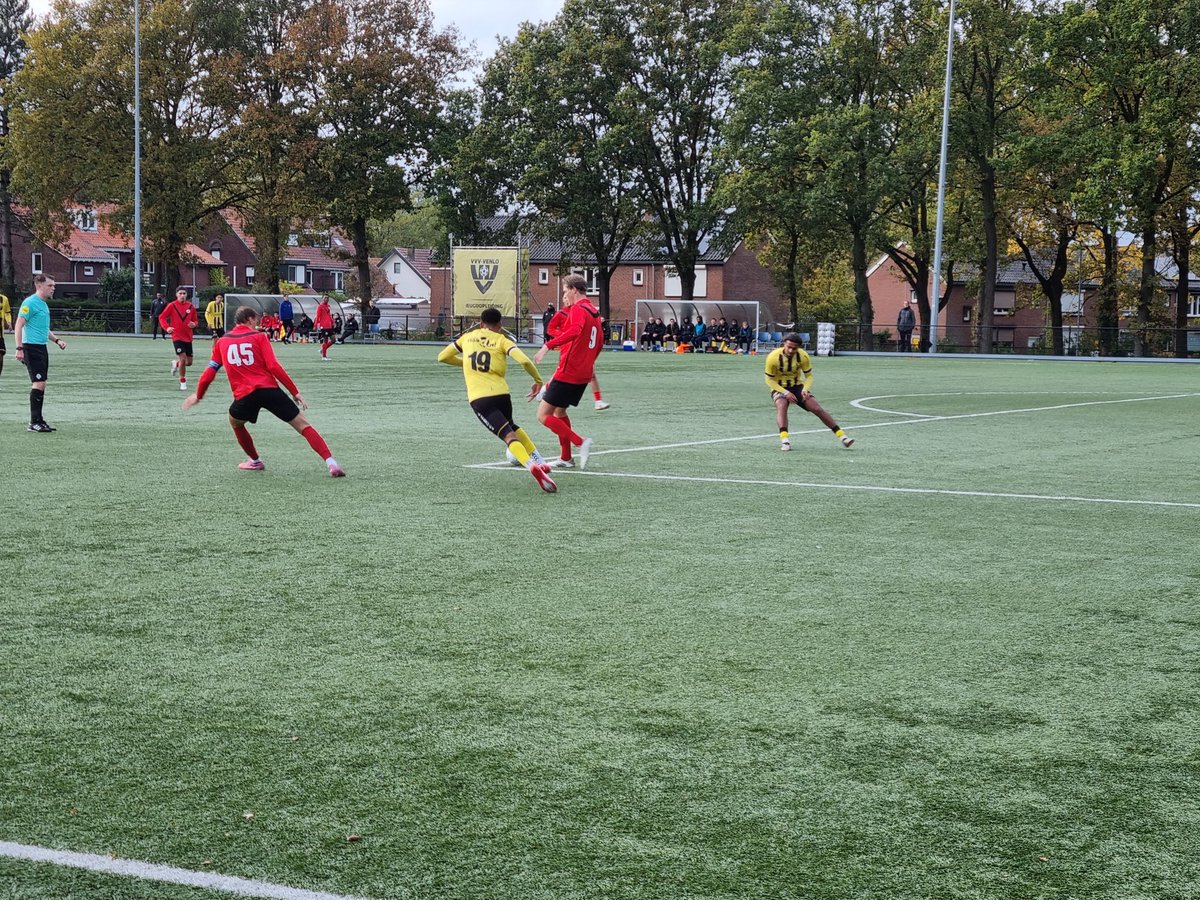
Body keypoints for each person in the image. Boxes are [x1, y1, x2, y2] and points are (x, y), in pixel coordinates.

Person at [183, 306, 345, 477]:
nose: (257, 323)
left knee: (235, 422)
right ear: (250, 319)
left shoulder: (222, 342)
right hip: (269, 390)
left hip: (245, 395)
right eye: (256, 320)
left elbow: (209, 373)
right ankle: (331, 463)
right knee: (303, 425)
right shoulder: (259, 337)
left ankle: (255, 461)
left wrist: (198, 395)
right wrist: (294, 391)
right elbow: (273, 366)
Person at [438, 306, 557, 493]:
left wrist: (466, 363)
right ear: (500, 325)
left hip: (480, 399)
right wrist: (538, 381)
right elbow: (525, 361)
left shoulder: (467, 338)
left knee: (509, 436)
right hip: (502, 395)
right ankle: (540, 461)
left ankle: (531, 467)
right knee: (512, 425)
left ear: (480, 323)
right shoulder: (502, 339)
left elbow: (442, 357)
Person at [532, 273, 603, 468]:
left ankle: (581, 442)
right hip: (582, 374)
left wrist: (548, 346)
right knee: (560, 412)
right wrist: (588, 363)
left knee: (543, 415)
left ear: (573, 289)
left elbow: (574, 331)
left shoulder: (578, 309)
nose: (565, 295)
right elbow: (599, 342)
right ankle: (566, 458)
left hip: (569, 372)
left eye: (565, 291)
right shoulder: (594, 312)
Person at [765, 332, 853, 451]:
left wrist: (805, 389)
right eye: (789, 347)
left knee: (816, 408)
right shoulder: (773, 357)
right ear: (784, 344)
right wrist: (785, 393)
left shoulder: (803, 356)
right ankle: (785, 441)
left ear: (799, 348)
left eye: (794, 348)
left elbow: (809, 376)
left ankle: (843, 437)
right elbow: (769, 379)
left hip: (797, 386)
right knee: (782, 405)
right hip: (779, 386)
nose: (791, 350)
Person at [13, 274, 67, 432]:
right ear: (39, 286)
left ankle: (39, 420)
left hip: (41, 347)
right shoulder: (29, 303)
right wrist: (19, 348)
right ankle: (33, 423)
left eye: (53, 285)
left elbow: (44, 329)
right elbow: (18, 325)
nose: (53, 288)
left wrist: (57, 340)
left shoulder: (43, 305)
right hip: (31, 347)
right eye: (50, 286)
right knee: (38, 383)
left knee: (42, 383)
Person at [544, 291, 609, 417]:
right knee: (562, 372)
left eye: (566, 296)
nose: (566, 299)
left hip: (580, 348)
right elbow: (550, 329)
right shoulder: (561, 313)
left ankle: (598, 401)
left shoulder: (580, 310)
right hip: (567, 347)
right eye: (564, 297)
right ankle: (546, 389)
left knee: (590, 373)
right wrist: (563, 336)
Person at [159, 287, 198, 390]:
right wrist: (167, 328)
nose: (182, 295)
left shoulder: (191, 306)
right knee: (183, 358)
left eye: (184, 293)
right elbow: (162, 317)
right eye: (180, 293)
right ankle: (182, 381)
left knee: (189, 362)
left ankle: (176, 364)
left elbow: (195, 320)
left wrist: (194, 324)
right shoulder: (171, 305)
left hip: (188, 337)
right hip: (177, 336)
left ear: (186, 295)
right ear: (176, 295)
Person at [313, 295, 336, 359]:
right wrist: (315, 325)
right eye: (325, 298)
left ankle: (323, 350)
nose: (326, 299)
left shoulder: (328, 306)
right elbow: (318, 316)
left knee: (333, 340)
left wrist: (333, 322)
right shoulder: (320, 306)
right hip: (323, 326)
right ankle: (324, 356)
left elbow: (329, 315)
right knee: (325, 340)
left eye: (327, 298)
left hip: (329, 326)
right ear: (322, 299)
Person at [0, 290, 10, 379]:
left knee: (1, 358)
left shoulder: (4, 299)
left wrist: (9, 322)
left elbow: (7, 312)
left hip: (0, 335)